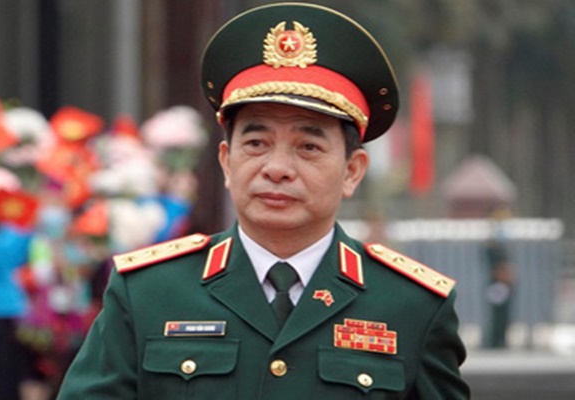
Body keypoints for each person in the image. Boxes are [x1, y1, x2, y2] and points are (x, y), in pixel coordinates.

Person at [57, 3, 469, 399]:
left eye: (308, 147)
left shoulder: (411, 306)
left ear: (352, 171)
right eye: (256, 143)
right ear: (226, 161)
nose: (277, 168)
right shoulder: (148, 292)